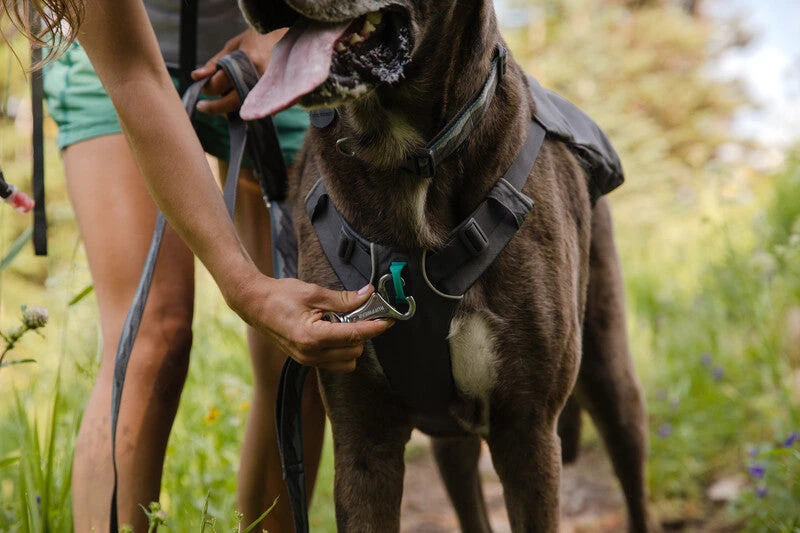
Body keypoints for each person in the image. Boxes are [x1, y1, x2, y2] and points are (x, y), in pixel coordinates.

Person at [3, 1, 393, 531]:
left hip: (286, 51)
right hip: (120, 64)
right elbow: (134, 75)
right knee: (150, 339)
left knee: (300, 358)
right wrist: (246, 288)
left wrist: (288, 34)